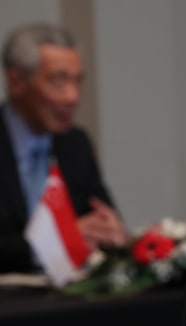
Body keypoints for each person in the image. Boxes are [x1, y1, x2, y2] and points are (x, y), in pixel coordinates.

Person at [0, 22, 127, 272]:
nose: (73, 97)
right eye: (58, 81)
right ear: (16, 82)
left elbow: (101, 217)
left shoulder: (75, 144)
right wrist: (56, 241)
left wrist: (111, 231)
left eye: (77, 81)